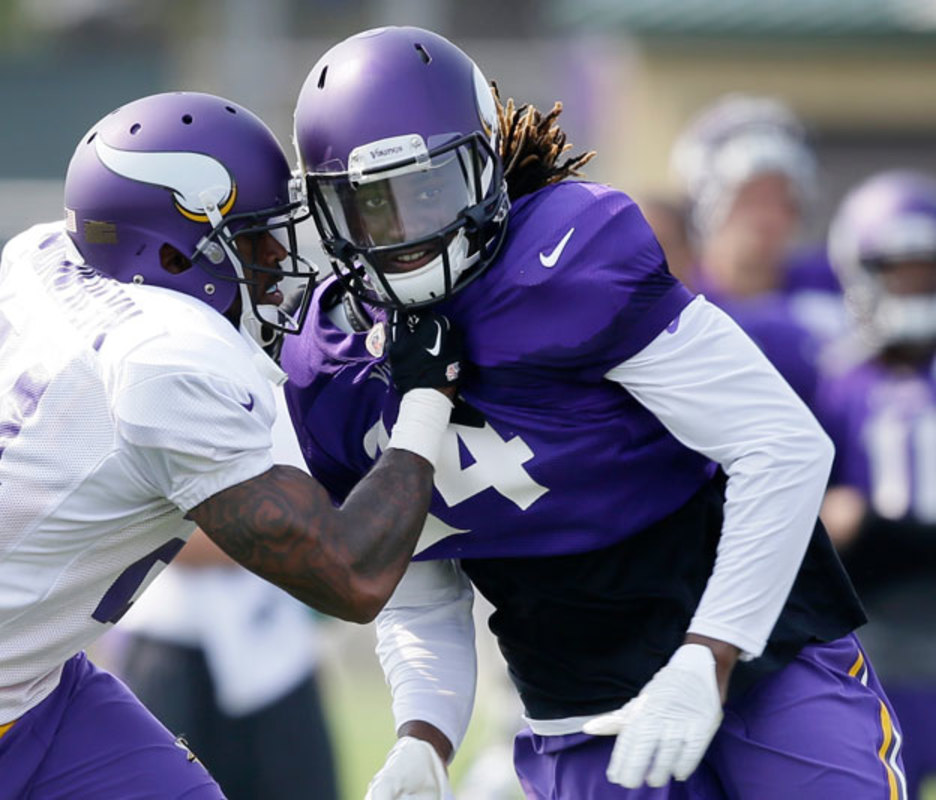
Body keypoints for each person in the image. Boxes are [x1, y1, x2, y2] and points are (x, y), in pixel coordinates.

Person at [0, 92, 464, 798]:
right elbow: (351, 575)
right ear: (179, 255)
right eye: (252, 239)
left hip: (25, 698)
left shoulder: (54, 257)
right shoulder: (167, 361)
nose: (278, 259)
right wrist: (426, 399)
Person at [281, 26, 901, 798]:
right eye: (372, 205)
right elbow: (415, 577)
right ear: (325, 213)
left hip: (753, 635)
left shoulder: (568, 260)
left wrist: (709, 652)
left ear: (483, 169)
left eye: (427, 190)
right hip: (574, 692)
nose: (405, 235)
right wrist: (425, 734)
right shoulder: (332, 369)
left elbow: (781, 444)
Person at [106, 383, 339, 800]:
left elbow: (324, 513)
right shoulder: (147, 379)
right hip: (169, 642)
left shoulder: (290, 384)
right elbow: (125, 524)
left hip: (275, 646)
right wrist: (283, 534)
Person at [816, 169, 936, 799]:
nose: (915, 285)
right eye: (900, 268)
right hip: (878, 615)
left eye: (927, 269)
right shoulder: (840, 381)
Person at [669, 93, 841, 408]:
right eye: (751, 199)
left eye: (782, 200)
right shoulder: (679, 297)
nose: (767, 218)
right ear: (708, 203)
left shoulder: (832, 284)